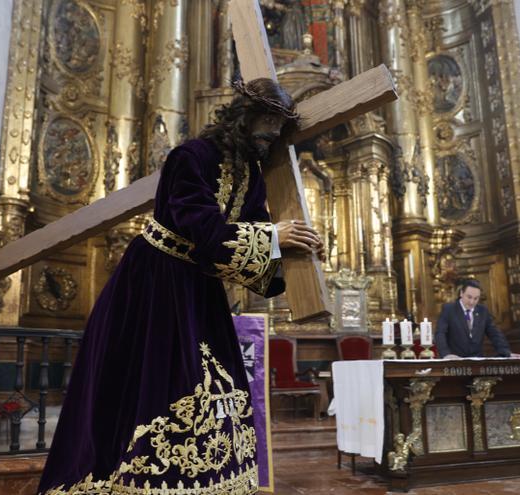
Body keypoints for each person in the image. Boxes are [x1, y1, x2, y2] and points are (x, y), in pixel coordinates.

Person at [38, 78, 325, 495]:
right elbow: (202, 229)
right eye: (268, 121)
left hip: (198, 290)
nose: (273, 133)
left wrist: (295, 248)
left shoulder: (250, 174)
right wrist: (275, 238)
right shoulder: (191, 157)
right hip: (153, 285)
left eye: (280, 125)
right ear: (244, 116)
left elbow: (254, 232)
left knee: (215, 390)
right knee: (153, 388)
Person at [435, 279, 520, 359]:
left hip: (477, 361)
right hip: (455, 360)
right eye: (469, 297)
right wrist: (446, 354)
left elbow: (495, 334)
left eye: (476, 298)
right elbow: (440, 333)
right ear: (461, 293)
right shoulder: (449, 309)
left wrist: (506, 352)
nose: (472, 302)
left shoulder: (483, 311)